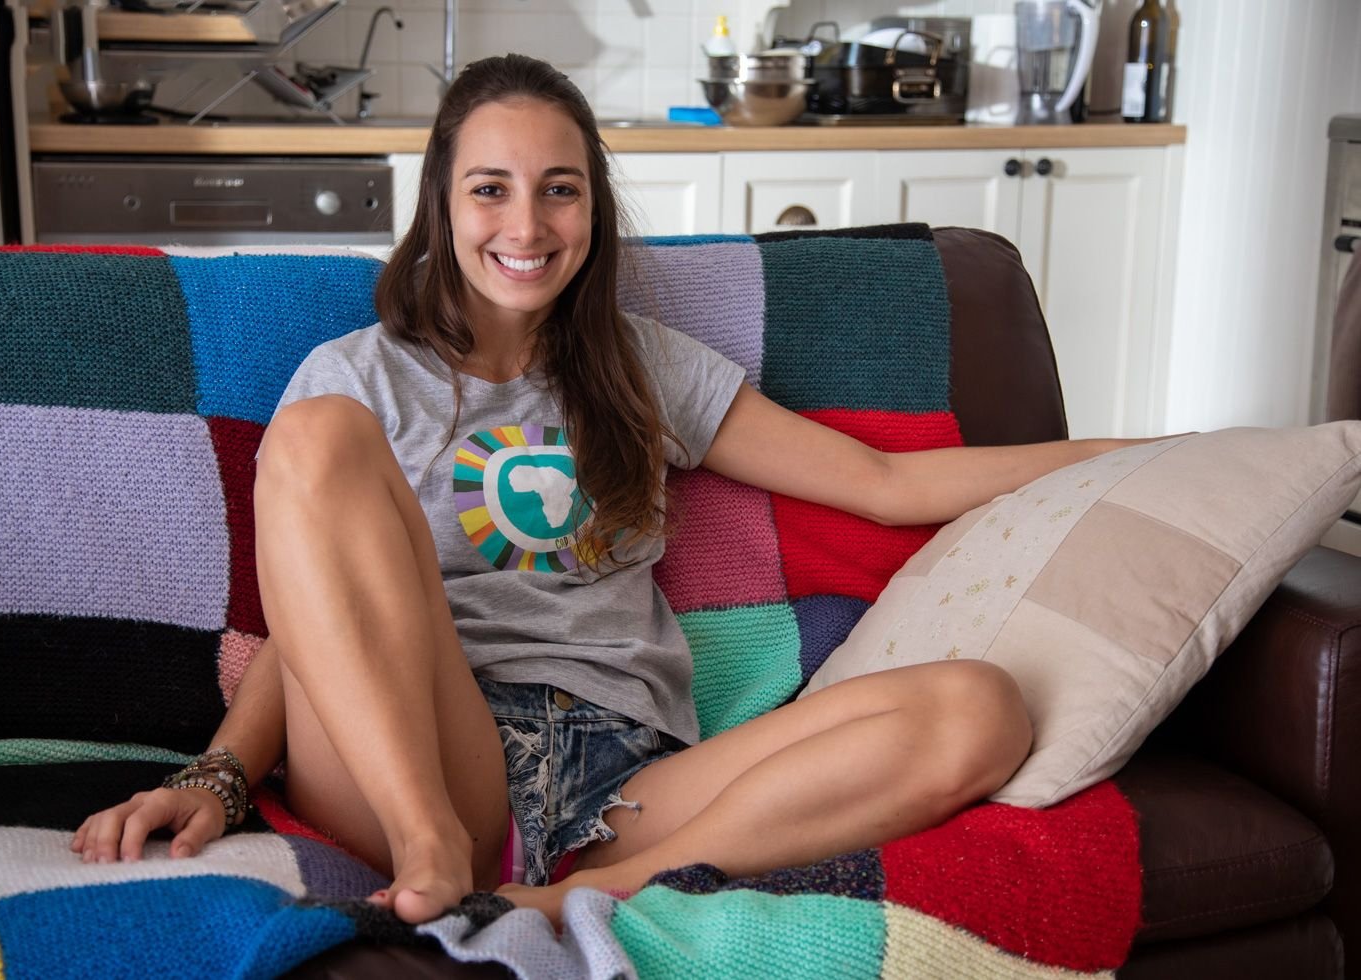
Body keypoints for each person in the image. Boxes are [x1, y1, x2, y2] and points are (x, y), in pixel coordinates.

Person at [71, 53, 1151, 928]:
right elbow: (314, 623)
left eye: (560, 189)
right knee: (314, 437)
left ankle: (602, 894)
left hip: (625, 780)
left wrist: (1139, 450)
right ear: (440, 203)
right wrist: (219, 775)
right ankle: (432, 848)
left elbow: (883, 482)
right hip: (430, 752)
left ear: (592, 206)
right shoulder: (356, 379)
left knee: (980, 708)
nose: (526, 227)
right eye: (490, 189)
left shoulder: (642, 365)